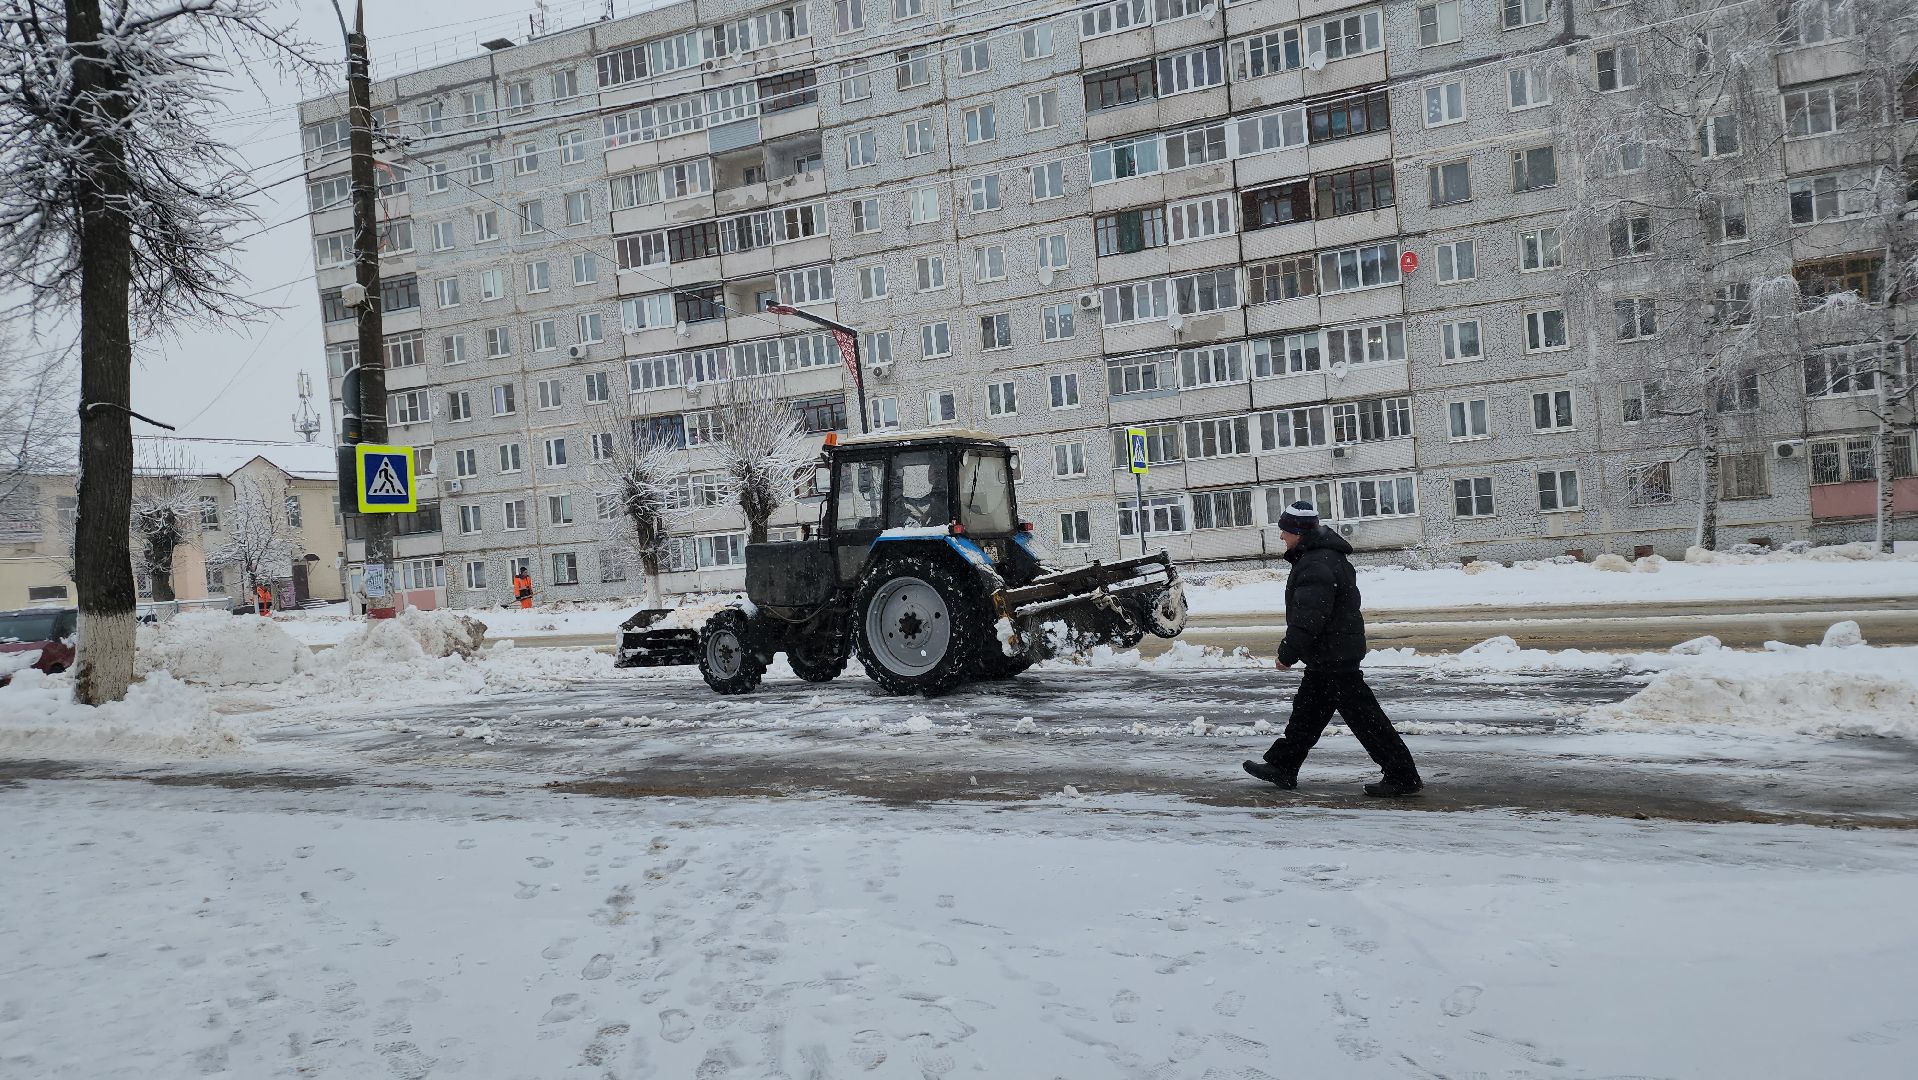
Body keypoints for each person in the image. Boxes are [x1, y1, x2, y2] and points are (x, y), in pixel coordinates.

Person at [1242, 501, 1423, 797]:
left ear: (1298, 532)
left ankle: (1402, 776)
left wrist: (1287, 653)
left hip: (1334, 657)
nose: (1281, 537)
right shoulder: (1325, 557)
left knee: (1366, 721)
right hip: (1330, 655)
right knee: (1306, 714)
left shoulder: (1316, 563)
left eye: (1284, 531)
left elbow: (1309, 617)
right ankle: (1283, 766)